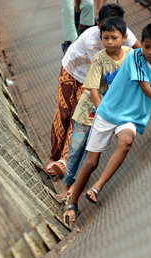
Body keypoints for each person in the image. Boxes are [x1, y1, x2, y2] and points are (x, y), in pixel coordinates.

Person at [64, 22, 151, 223]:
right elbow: (147, 88)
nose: (149, 51)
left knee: (126, 142)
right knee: (91, 162)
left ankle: (97, 187)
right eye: (146, 46)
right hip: (108, 113)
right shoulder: (135, 57)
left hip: (129, 117)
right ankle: (73, 203)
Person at [48, 4, 142, 178]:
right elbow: (103, 70)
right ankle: (53, 157)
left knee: (79, 115)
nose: (111, 38)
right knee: (63, 113)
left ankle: (63, 161)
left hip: (90, 80)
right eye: (106, 32)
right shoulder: (91, 40)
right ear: (98, 25)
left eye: (116, 32)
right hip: (72, 70)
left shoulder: (122, 33)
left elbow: (140, 51)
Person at [56, 17, 132, 201]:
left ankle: (74, 189)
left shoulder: (130, 56)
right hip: (90, 109)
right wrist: (101, 111)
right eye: (105, 38)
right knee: (75, 148)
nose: (110, 42)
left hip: (108, 112)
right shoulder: (98, 59)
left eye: (114, 38)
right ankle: (66, 185)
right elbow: (93, 89)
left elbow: (143, 77)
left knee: (91, 151)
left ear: (124, 37)